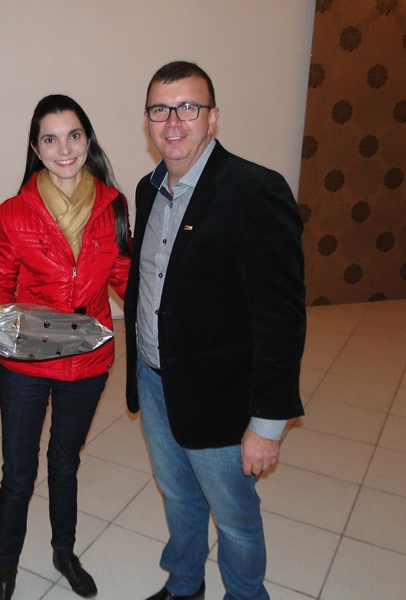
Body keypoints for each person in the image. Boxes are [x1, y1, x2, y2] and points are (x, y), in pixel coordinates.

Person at [123, 62, 306, 600]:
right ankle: (185, 586)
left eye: (188, 107)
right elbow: (149, 280)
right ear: (147, 120)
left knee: (234, 518)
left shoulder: (256, 191)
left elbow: (282, 318)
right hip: (156, 381)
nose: (173, 121)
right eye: (160, 109)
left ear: (213, 117)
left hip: (220, 396)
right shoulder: (148, 189)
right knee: (179, 497)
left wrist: (267, 424)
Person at [0, 94, 131, 600]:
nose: (64, 149)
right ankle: (5, 570)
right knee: (18, 473)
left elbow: (125, 275)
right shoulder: (14, 212)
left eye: (73, 136)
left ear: (87, 141)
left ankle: (64, 552)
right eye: (50, 139)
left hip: (88, 359)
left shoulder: (113, 207)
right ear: (36, 149)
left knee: (65, 463)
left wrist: (171, 312)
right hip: (27, 361)